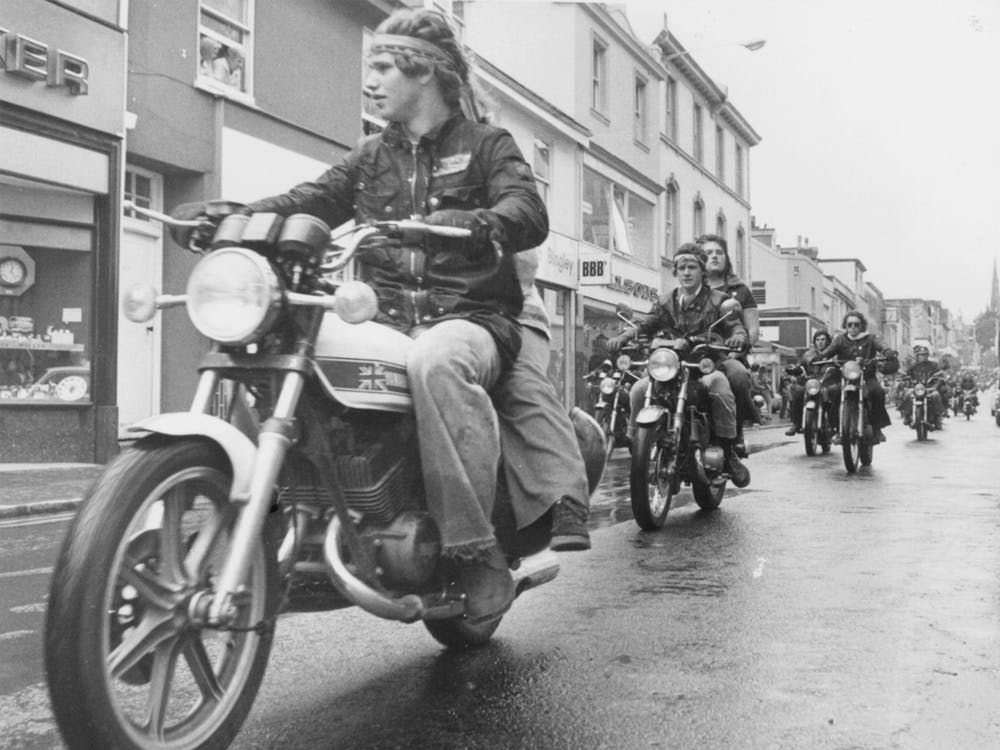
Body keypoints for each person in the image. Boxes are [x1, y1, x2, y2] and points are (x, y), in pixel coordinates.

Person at [244, 8, 556, 622]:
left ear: (426, 72)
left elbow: (527, 208)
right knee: (282, 340)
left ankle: (475, 550)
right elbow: (312, 198)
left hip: (470, 317)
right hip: (385, 317)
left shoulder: (487, 145)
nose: (371, 80)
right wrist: (241, 214)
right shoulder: (370, 157)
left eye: (383, 67)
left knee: (434, 359)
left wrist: (484, 222)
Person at [607, 243, 750, 487]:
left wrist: (738, 335)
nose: (686, 272)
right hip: (670, 367)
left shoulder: (719, 300)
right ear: (676, 271)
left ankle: (729, 450)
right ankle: (637, 442)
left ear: (702, 271)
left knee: (721, 385)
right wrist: (624, 337)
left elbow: (734, 325)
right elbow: (646, 324)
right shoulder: (666, 301)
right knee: (640, 389)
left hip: (705, 366)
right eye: (681, 267)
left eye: (692, 267)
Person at [493, 249, 591, 552]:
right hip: (401, 311)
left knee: (519, 383)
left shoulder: (490, 203)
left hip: (507, 310)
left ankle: (564, 497)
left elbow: (522, 222)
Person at [698, 234, 758, 457]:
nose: (714, 257)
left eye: (719, 252)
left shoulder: (740, 290)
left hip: (728, 353)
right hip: (698, 354)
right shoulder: (693, 287)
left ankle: (736, 432)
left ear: (726, 258)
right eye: (708, 253)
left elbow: (752, 329)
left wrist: (739, 346)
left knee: (739, 377)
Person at [817, 311, 898, 443]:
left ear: (862, 326)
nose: (853, 327)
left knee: (877, 392)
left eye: (856, 324)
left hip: (866, 376)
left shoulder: (870, 338)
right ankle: (836, 429)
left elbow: (881, 345)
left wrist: (887, 352)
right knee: (835, 394)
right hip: (846, 378)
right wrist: (819, 356)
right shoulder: (840, 339)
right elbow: (828, 351)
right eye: (849, 324)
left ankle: (877, 429)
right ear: (846, 326)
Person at [784, 330, 835, 436]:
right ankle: (796, 423)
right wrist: (793, 369)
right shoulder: (808, 354)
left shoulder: (833, 353)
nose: (820, 342)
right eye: (818, 339)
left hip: (827, 382)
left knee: (834, 395)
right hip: (811, 383)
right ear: (814, 341)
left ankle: (833, 424)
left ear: (828, 341)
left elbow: (838, 366)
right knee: (798, 393)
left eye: (823, 339)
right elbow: (800, 366)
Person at [899, 344, 944, 429]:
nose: (922, 356)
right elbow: (906, 373)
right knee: (906, 394)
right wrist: (903, 377)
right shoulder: (913, 366)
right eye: (920, 354)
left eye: (924, 354)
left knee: (936, 395)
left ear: (928, 355)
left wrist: (935, 386)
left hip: (930, 388)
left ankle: (938, 418)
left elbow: (939, 376)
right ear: (917, 355)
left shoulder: (933, 365)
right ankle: (906, 415)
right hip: (915, 389)